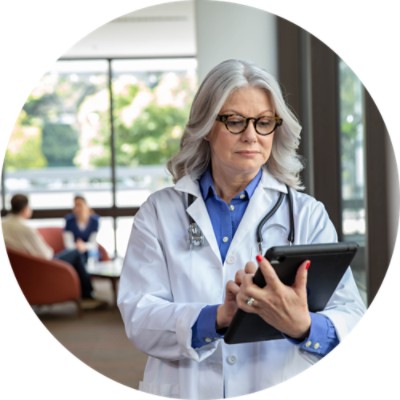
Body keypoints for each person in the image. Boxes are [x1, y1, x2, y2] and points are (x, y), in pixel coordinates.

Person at [117, 59, 366, 399]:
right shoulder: (158, 213)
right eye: (235, 121)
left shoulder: (307, 214)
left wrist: (302, 326)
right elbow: (139, 315)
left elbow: (352, 317)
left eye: (264, 122)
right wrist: (220, 317)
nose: (251, 135)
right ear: (205, 126)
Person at [2, 194, 105, 308]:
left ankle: (85, 294)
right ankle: (87, 295)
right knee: (76, 253)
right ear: (25, 208)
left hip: (20, 267)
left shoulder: (3, 224)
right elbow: (47, 254)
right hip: (42, 265)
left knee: (77, 253)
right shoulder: (26, 229)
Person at [63, 194, 100, 265]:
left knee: (93, 253)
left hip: (90, 253)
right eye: (75, 206)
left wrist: (84, 246)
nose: (77, 209)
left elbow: (93, 243)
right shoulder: (69, 221)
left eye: (80, 205)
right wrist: (78, 247)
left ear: (86, 206)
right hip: (74, 252)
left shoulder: (95, 221)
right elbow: (68, 244)